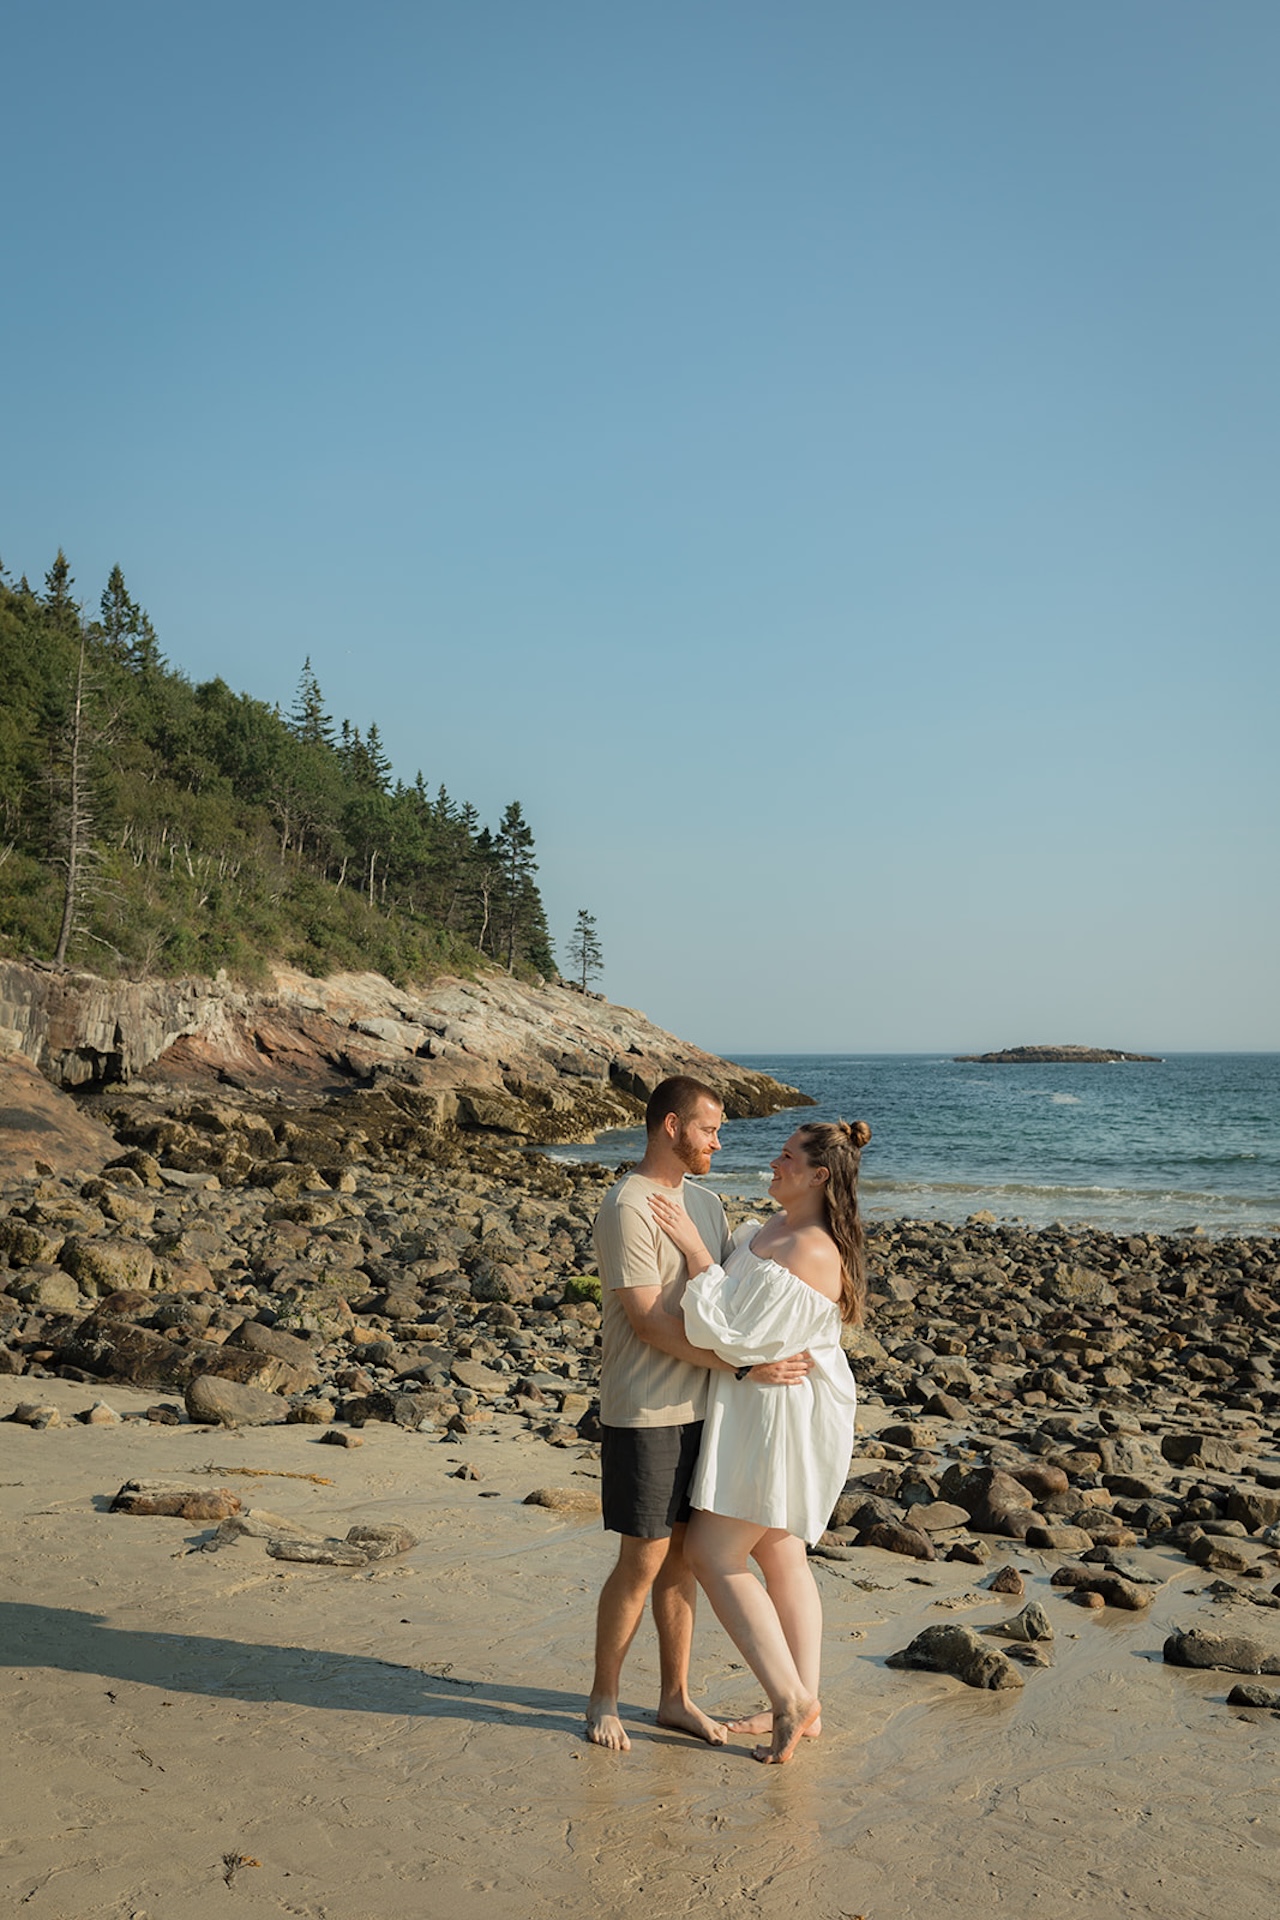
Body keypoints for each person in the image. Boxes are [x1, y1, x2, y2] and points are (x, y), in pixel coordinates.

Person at [586, 1075, 814, 1753]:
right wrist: (743, 1368)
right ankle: (604, 1698)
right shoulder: (628, 1206)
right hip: (648, 1409)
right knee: (643, 1561)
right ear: (671, 1127)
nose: (718, 1141)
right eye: (710, 1129)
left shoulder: (707, 1205)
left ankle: (674, 1699)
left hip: (707, 1408)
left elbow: (725, 1302)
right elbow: (651, 1322)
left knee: (684, 1560)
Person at [648, 1118, 870, 1764]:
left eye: (786, 1156)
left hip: (781, 1410)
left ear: (818, 1174)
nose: (773, 1163)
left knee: (716, 1554)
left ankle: (789, 1698)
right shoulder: (770, 1230)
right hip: (760, 1399)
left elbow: (732, 1335)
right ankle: (810, 1705)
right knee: (779, 1551)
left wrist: (694, 1252)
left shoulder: (812, 1249)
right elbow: (741, 1323)